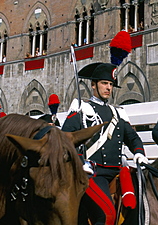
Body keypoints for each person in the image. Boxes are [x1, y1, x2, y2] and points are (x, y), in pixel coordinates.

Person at [62, 62, 148, 225]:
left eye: (111, 84)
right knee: (106, 215)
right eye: (104, 83)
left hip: (118, 171)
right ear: (93, 85)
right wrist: (80, 161)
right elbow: (65, 139)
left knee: (141, 207)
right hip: (93, 173)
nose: (108, 88)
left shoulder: (118, 113)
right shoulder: (82, 108)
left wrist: (139, 152)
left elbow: (133, 138)